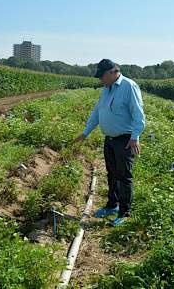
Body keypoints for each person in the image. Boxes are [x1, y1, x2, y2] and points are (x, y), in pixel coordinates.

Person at [74, 59, 145, 227]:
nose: (101, 80)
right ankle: (112, 205)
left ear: (113, 72)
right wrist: (85, 132)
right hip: (110, 140)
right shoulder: (106, 89)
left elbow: (138, 115)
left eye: (102, 76)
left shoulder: (129, 86)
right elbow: (97, 112)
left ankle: (124, 212)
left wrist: (135, 137)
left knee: (124, 176)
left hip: (125, 140)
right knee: (111, 173)